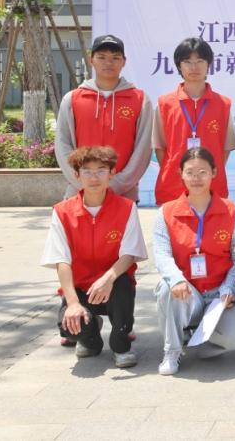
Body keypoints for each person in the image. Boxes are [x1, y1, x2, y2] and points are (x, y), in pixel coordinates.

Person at [41, 145, 147, 368]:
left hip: (114, 285)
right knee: (69, 327)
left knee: (122, 285)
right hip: (80, 287)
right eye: (87, 171)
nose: (94, 177)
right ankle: (90, 339)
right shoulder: (62, 211)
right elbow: (62, 261)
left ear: (112, 173)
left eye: (101, 170)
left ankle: (121, 346)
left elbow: (129, 254)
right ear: (76, 175)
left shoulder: (126, 208)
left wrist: (108, 279)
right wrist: (72, 303)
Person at [153, 148, 235, 375]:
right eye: (190, 172)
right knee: (166, 288)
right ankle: (172, 351)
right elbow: (162, 254)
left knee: (234, 339)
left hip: (219, 295)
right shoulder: (166, 212)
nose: (196, 178)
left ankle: (201, 346)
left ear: (214, 172)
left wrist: (229, 288)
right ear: (181, 174)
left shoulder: (232, 211)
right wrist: (176, 279)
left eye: (202, 172)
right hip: (188, 291)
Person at [54, 34, 152, 202]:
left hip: (123, 194)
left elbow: (143, 149)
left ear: (124, 62)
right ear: (91, 60)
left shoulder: (140, 100)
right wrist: (83, 181)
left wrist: (118, 184)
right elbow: (62, 144)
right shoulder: (73, 99)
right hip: (79, 193)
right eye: (101, 57)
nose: (108, 62)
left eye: (115, 58)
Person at [153, 38, 235, 205]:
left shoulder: (223, 104)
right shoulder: (165, 104)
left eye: (200, 61)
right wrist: (177, 170)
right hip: (173, 187)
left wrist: (208, 171)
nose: (194, 67)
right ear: (179, 66)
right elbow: (160, 148)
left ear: (208, 64)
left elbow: (225, 149)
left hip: (213, 187)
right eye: (187, 62)